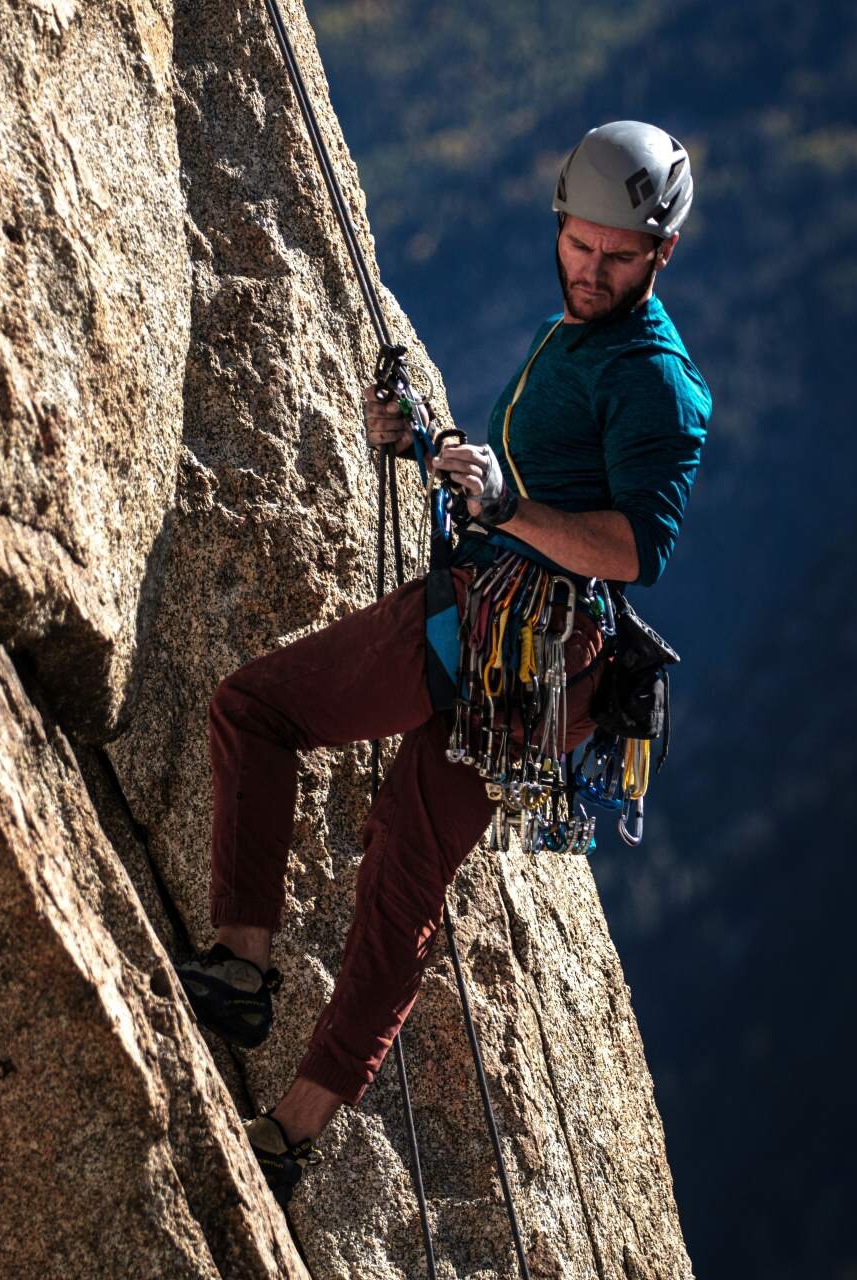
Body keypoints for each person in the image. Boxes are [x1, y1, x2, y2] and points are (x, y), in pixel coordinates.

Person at [176, 121, 712, 1206]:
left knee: (262, 713)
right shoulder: (573, 337)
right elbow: (529, 484)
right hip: (536, 657)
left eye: (617, 257)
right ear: (560, 226)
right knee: (401, 867)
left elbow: (633, 549)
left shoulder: (657, 381)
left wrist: (505, 510)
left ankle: (248, 988)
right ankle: (284, 1103)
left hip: (502, 628)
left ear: (661, 254)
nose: (591, 270)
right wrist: (426, 446)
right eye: (579, 244)